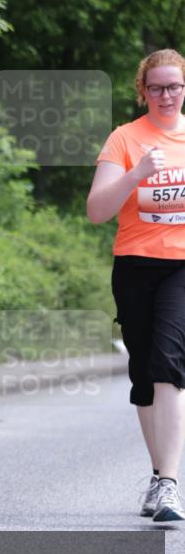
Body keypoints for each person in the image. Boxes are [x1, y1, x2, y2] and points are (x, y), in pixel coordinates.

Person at [87, 48, 185, 522]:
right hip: (134, 265)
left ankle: (168, 484)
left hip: (182, 267)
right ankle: (158, 474)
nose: (166, 95)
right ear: (142, 91)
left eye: (175, 87)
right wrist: (137, 174)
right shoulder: (124, 139)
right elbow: (97, 210)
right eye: (157, 87)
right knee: (144, 377)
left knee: (169, 363)